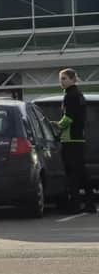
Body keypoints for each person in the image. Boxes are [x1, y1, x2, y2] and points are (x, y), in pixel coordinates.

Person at [55, 68, 96, 214]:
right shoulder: (79, 95)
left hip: (70, 138)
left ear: (73, 79)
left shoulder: (70, 95)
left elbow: (69, 118)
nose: (62, 81)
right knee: (82, 172)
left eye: (64, 78)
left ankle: (75, 204)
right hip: (79, 138)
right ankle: (90, 203)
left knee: (72, 172)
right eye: (61, 78)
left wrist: (56, 126)